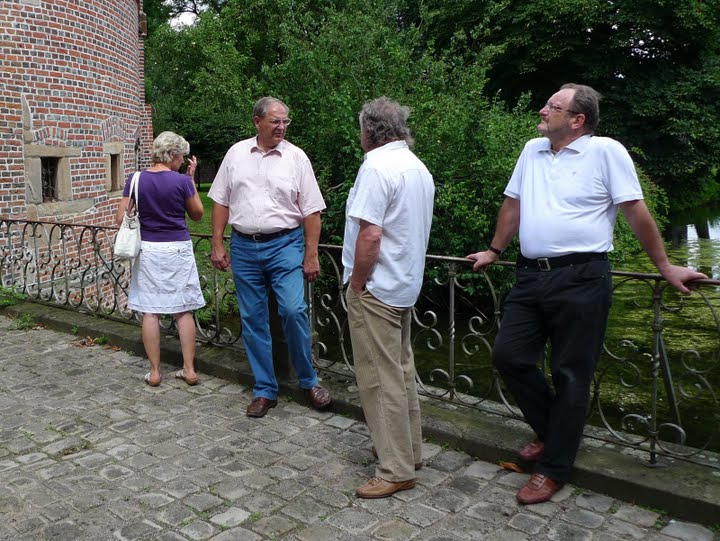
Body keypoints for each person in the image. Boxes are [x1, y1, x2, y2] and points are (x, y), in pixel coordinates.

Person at [467, 83, 708, 505]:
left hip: (582, 278)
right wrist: (494, 250)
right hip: (531, 275)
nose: (543, 110)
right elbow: (512, 205)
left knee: (571, 373)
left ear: (577, 120)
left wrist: (665, 266)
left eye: (553, 106)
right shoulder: (532, 150)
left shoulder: (606, 152)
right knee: (508, 356)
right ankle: (554, 433)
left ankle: (553, 468)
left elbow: (634, 210)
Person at [208, 96, 331, 418]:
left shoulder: (296, 158)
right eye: (276, 121)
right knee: (253, 318)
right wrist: (217, 243)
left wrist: (311, 254)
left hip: (284, 244)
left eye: (285, 121)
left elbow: (312, 211)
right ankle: (265, 389)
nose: (282, 127)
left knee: (292, 310)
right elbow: (220, 201)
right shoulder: (236, 154)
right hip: (244, 246)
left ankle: (309, 380)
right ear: (257, 121)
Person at [343, 97, 435, 499]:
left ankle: (395, 468)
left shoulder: (376, 167)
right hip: (404, 283)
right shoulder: (416, 166)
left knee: (379, 378)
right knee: (401, 370)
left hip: (378, 287)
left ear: (370, 130)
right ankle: (408, 451)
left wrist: (357, 283)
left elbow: (371, 234)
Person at [115, 131, 206, 387]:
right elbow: (198, 214)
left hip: (149, 249)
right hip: (178, 247)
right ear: (172, 154)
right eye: (181, 156)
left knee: (151, 310)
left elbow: (120, 218)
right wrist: (190, 181)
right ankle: (189, 370)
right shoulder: (182, 181)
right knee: (183, 309)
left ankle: (155, 372)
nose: (182, 161)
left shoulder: (136, 179)